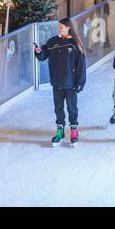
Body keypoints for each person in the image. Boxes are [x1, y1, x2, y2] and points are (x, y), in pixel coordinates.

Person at [34, 18, 86, 146]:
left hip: (71, 83)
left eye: (61, 27)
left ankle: (74, 130)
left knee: (72, 107)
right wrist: (39, 52)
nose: (59, 29)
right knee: (58, 108)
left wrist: (81, 82)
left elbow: (81, 65)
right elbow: (43, 56)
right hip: (57, 82)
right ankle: (60, 130)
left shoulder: (74, 44)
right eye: (59, 26)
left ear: (68, 28)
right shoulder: (53, 42)